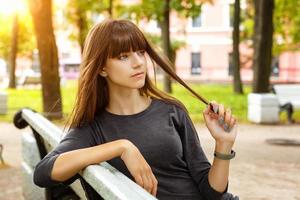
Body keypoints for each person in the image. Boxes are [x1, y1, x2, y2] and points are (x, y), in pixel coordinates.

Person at [33, 19, 238, 200]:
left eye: (140, 52)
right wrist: (122, 147)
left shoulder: (171, 110)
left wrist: (223, 144)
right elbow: (43, 172)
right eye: (123, 56)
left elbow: (213, 192)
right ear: (102, 68)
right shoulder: (93, 128)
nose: (138, 62)